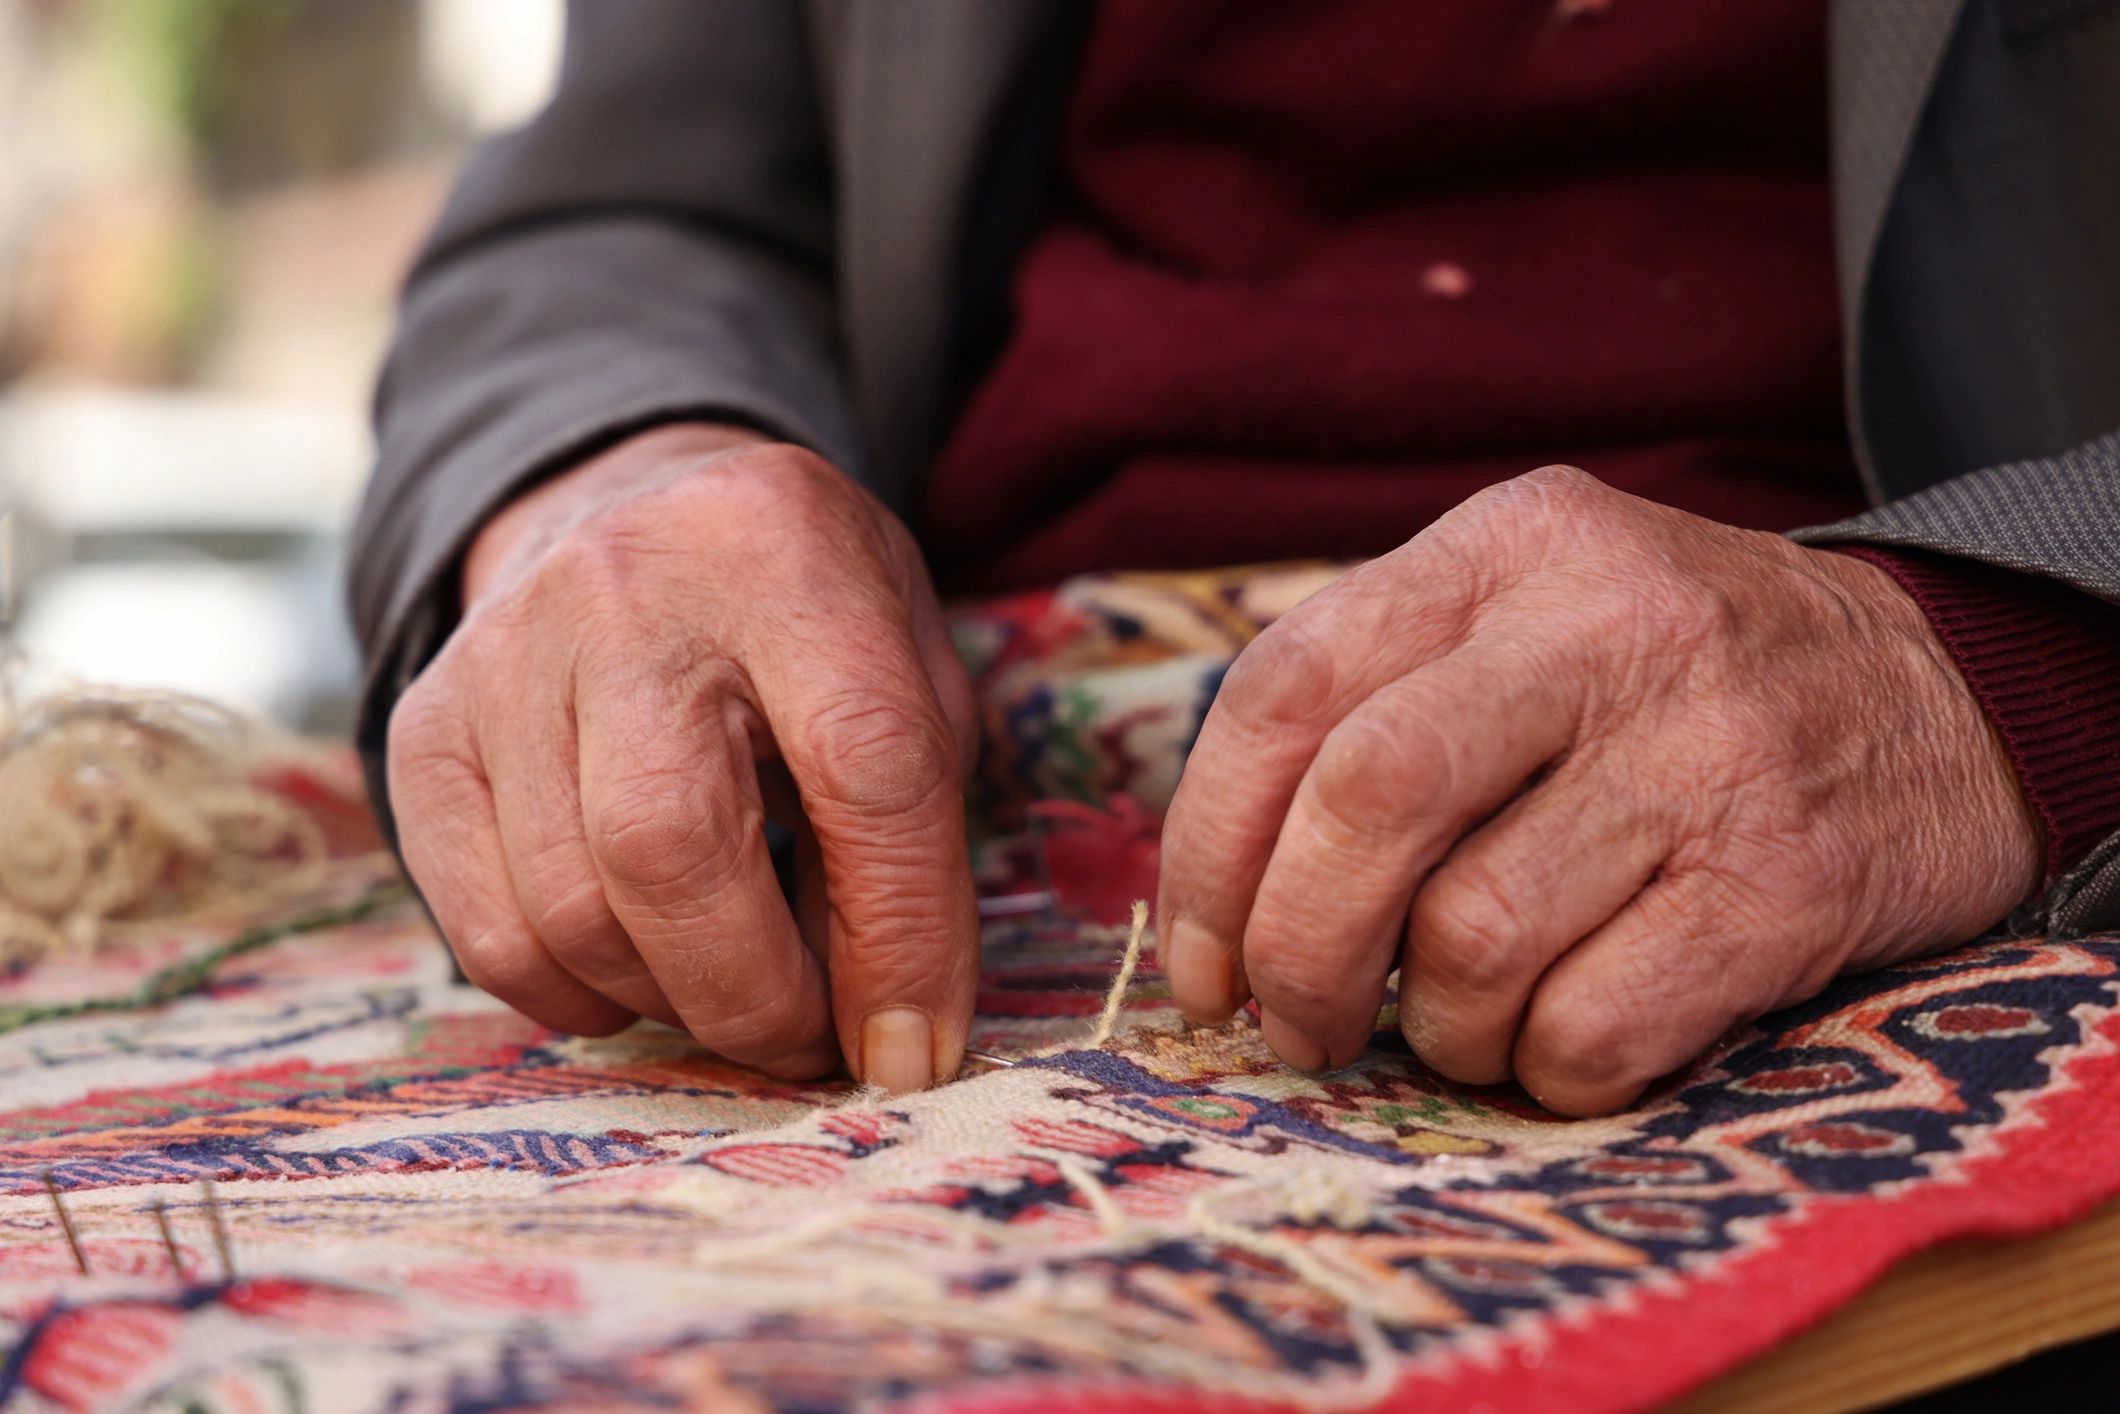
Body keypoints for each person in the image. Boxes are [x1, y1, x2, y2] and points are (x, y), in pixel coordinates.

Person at [349, 0, 2120, 1112]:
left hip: (1898, 851)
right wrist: (622, 477)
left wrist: (1988, 658)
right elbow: (634, 202)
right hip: (930, 817)